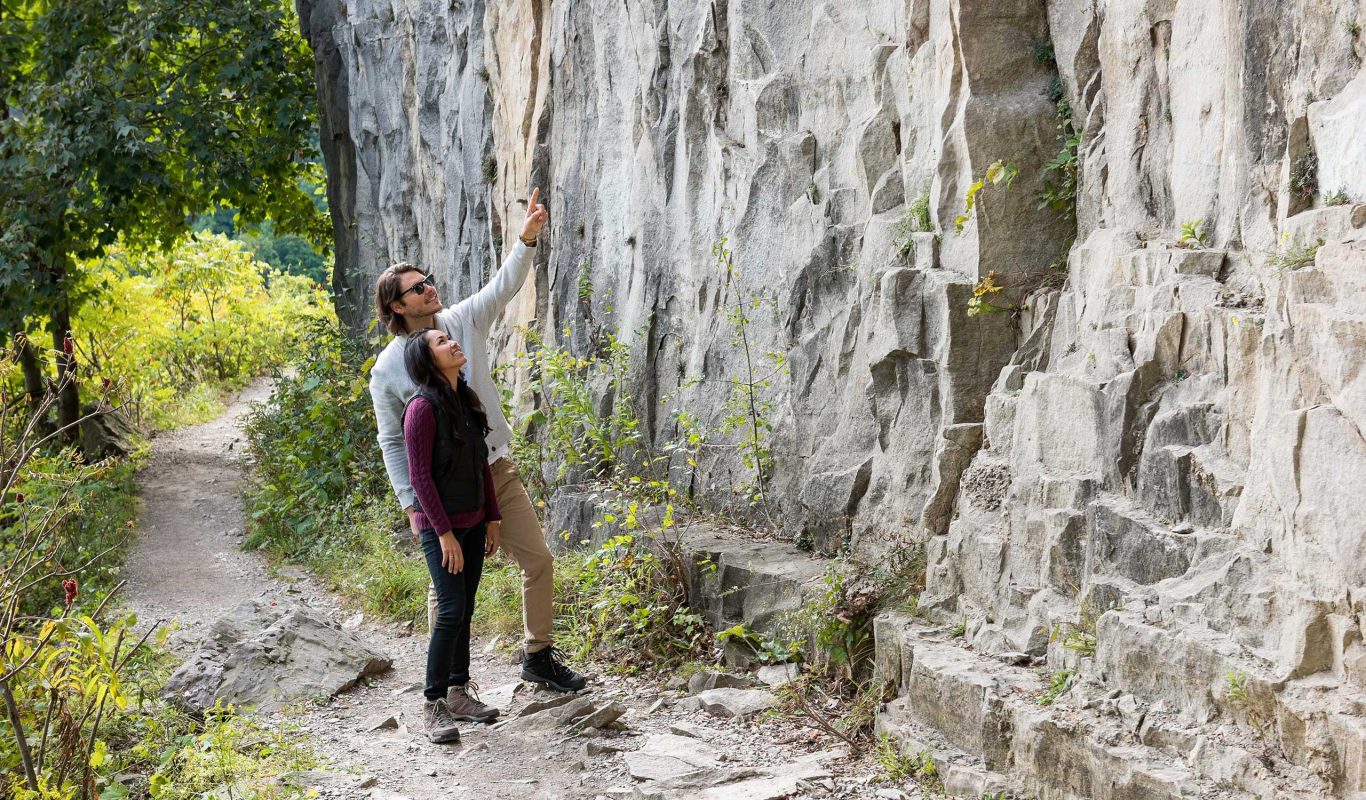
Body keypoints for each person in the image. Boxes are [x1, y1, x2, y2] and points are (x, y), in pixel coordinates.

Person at [368, 187, 586, 696]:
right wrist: (410, 503)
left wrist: (527, 239)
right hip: (442, 491)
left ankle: (538, 656)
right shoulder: (388, 369)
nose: (429, 289)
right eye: (417, 288)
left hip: (495, 471)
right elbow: (392, 442)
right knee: (448, 591)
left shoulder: (460, 321)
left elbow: (502, 288)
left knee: (538, 560)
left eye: (429, 281)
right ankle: (444, 681)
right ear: (397, 306)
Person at [402, 329, 500, 743]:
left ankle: (460, 693)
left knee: (466, 607)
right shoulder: (421, 409)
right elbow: (420, 478)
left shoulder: (465, 400)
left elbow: (482, 464)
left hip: (475, 522)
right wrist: (443, 533)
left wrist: (492, 518)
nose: (453, 344)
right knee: (450, 608)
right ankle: (434, 703)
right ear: (428, 360)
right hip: (442, 529)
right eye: (442, 343)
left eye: (450, 339)